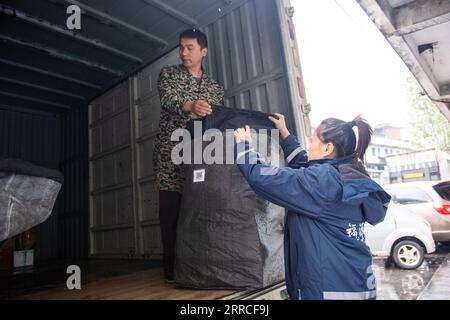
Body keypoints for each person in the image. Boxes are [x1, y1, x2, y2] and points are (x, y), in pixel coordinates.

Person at [233, 114, 391, 300]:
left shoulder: (322, 182)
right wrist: (285, 133)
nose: (309, 146)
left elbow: (264, 177)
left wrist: (243, 146)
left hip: (327, 291)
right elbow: (304, 164)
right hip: (354, 284)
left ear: (328, 148)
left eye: (312, 140)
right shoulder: (348, 175)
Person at [154, 29, 224, 283]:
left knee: (201, 210)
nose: (184, 52)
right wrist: (191, 106)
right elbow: (168, 99)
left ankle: (199, 265)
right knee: (170, 212)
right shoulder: (168, 74)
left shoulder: (215, 87)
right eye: (181, 47)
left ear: (203, 51)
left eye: (190, 48)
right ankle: (172, 270)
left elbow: (216, 119)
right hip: (170, 155)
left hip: (201, 154)